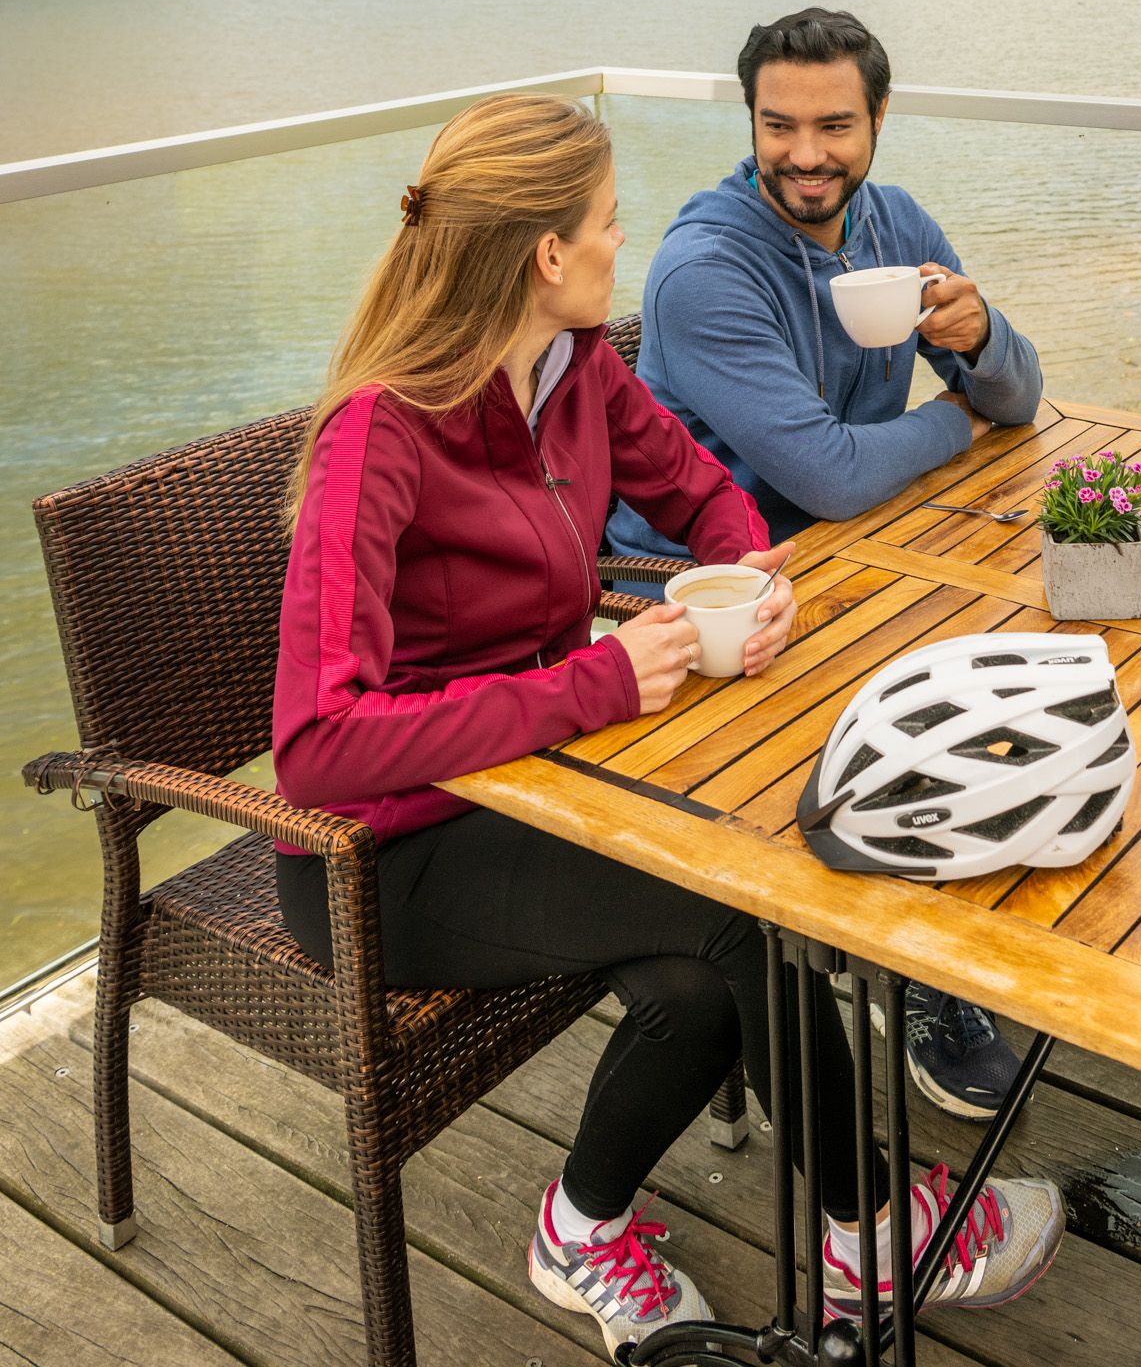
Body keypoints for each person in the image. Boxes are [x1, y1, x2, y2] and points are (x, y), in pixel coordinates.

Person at [273, 90, 1062, 1356]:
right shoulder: (383, 434)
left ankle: (577, 1229)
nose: (620, 240)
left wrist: (750, 573)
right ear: (546, 255)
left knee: (700, 985)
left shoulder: (576, 366)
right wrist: (594, 682)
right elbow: (319, 746)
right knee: (737, 906)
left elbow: (698, 492)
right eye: (606, 221)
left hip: (545, 779)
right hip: (384, 851)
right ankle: (873, 1234)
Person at [605, 8, 1045, 1123]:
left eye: (834, 125)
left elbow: (1020, 399)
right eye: (779, 125)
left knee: (1015, 650)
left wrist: (981, 339)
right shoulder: (706, 269)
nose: (805, 154)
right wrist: (955, 421)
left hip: (846, 554)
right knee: (936, 688)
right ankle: (914, 963)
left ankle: (936, 930)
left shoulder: (894, 223)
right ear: (751, 121)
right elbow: (838, 473)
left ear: (878, 117)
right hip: (695, 592)